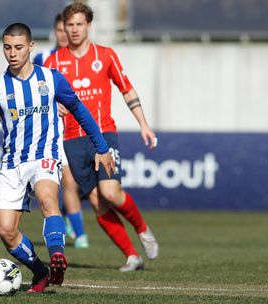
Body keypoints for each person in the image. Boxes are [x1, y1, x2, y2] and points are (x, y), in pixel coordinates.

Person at [0, 23, 115, 293]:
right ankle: (41, 271)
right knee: (5, 230)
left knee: (48, 199)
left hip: (44, 155)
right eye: (7, 47)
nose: (12, 53)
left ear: (31, 47)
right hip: (12, 161)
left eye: (19, 47)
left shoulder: (51, 78)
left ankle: (57, 255)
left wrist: (102, 147)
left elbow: (80, 110)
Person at [45, 2, 159, 272]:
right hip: (72, 139)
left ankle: (142, 229)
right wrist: (53, 104)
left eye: (79, 24)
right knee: (97, 202)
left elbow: (126, 89)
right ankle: (132, 256)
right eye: (69, 25)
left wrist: (144, 124)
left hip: (103, 134)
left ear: (89, 26)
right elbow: (42, 98)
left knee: (110, 192)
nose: (74, 30)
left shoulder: (105, 55)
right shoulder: (53, 62)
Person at [34, 13, 89, 249]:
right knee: (68, 182)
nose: (65, 34)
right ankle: (81, 234)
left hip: (78, 131)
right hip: (54, 133)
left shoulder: (81, 59)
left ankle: (68, 221)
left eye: (68, 29)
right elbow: (33, 90)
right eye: (60, 30)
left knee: (76, 184)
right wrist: (51, 104)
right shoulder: (43, 58)